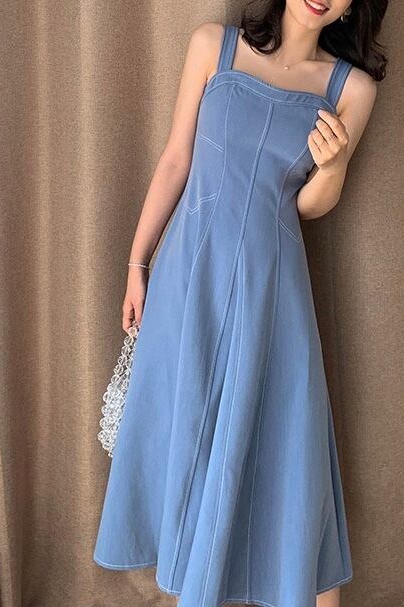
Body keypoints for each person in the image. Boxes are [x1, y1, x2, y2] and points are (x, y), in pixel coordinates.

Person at [93, 2, 388, 606]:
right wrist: (136, 264)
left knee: (288, 445)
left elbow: (310, 205)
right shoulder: (213, 45)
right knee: (190, 434)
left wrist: (333, 165)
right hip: (189, 282)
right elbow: (176, 160)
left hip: (272, 291)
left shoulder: (352, 89)